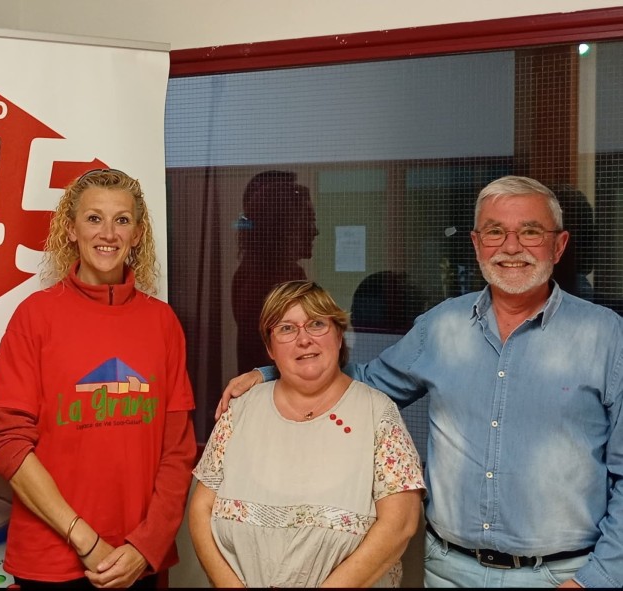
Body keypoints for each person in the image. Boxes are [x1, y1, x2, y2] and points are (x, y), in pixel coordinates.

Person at [218, 175, 623, 588]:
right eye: (495, 232)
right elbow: (364, 383)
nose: (511, 246)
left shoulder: (607, 337)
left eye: (530, 232)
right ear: (476, 243)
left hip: (561, 576)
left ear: (559, 245)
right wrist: (272, 372)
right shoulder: (441, 326)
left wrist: (597, 578)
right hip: (449, 571)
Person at [0, 168, 197, 589]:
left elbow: (178, 450)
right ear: (70, 229)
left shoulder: (162, 322)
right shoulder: (35, 317)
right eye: (94, 218)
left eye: (122, 220)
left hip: (139, 561)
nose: (108, 233)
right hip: (52, 560)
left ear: (138, 234)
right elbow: (8, 444)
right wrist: (84, 538)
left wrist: (146, 546)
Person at [190, 280, 424, 588]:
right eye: (287, 329)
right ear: (270, 348)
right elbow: (200, 509)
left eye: (316, 324)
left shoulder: (378, 413)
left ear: (339, 335)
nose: (304, 340)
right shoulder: (240, 410)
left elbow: (400, 524)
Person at [232, 170, 318, 374]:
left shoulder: (281, 273)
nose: (315, 231)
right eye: (308, 221)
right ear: (283, 228)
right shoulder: (266, 282)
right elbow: (273, 358)